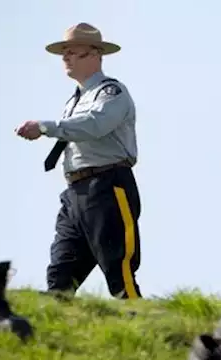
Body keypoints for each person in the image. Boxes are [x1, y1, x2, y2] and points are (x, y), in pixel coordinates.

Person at [15, 23, 142, 299]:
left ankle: (150, 332)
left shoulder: (111, 93)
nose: (66, 58)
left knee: (119, 272)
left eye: (73, 52)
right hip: (75, 192)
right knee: (60, 276)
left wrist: (46, 127)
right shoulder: (73, 100)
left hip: (108, 187)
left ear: (96, 54)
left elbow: (94, 125)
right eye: (64, 54)